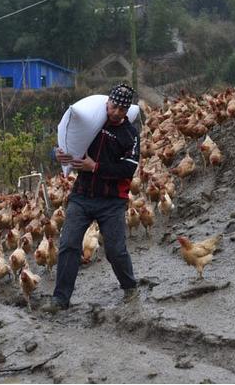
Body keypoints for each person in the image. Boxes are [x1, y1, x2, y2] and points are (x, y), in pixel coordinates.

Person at [45, 83, 141, 312]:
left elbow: (128, 169)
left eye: (122, 109)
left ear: (128, 110)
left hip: (112, 201)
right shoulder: (92, 123)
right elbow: (68, 143)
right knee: (68, 244)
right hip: (82, 195)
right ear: (107, 102)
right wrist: (57, 153)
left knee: (115, 250)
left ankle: (130, 287)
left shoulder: (130, 135)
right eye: (114, 106)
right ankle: (60, 299)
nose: (116, 111)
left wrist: (95, 166)